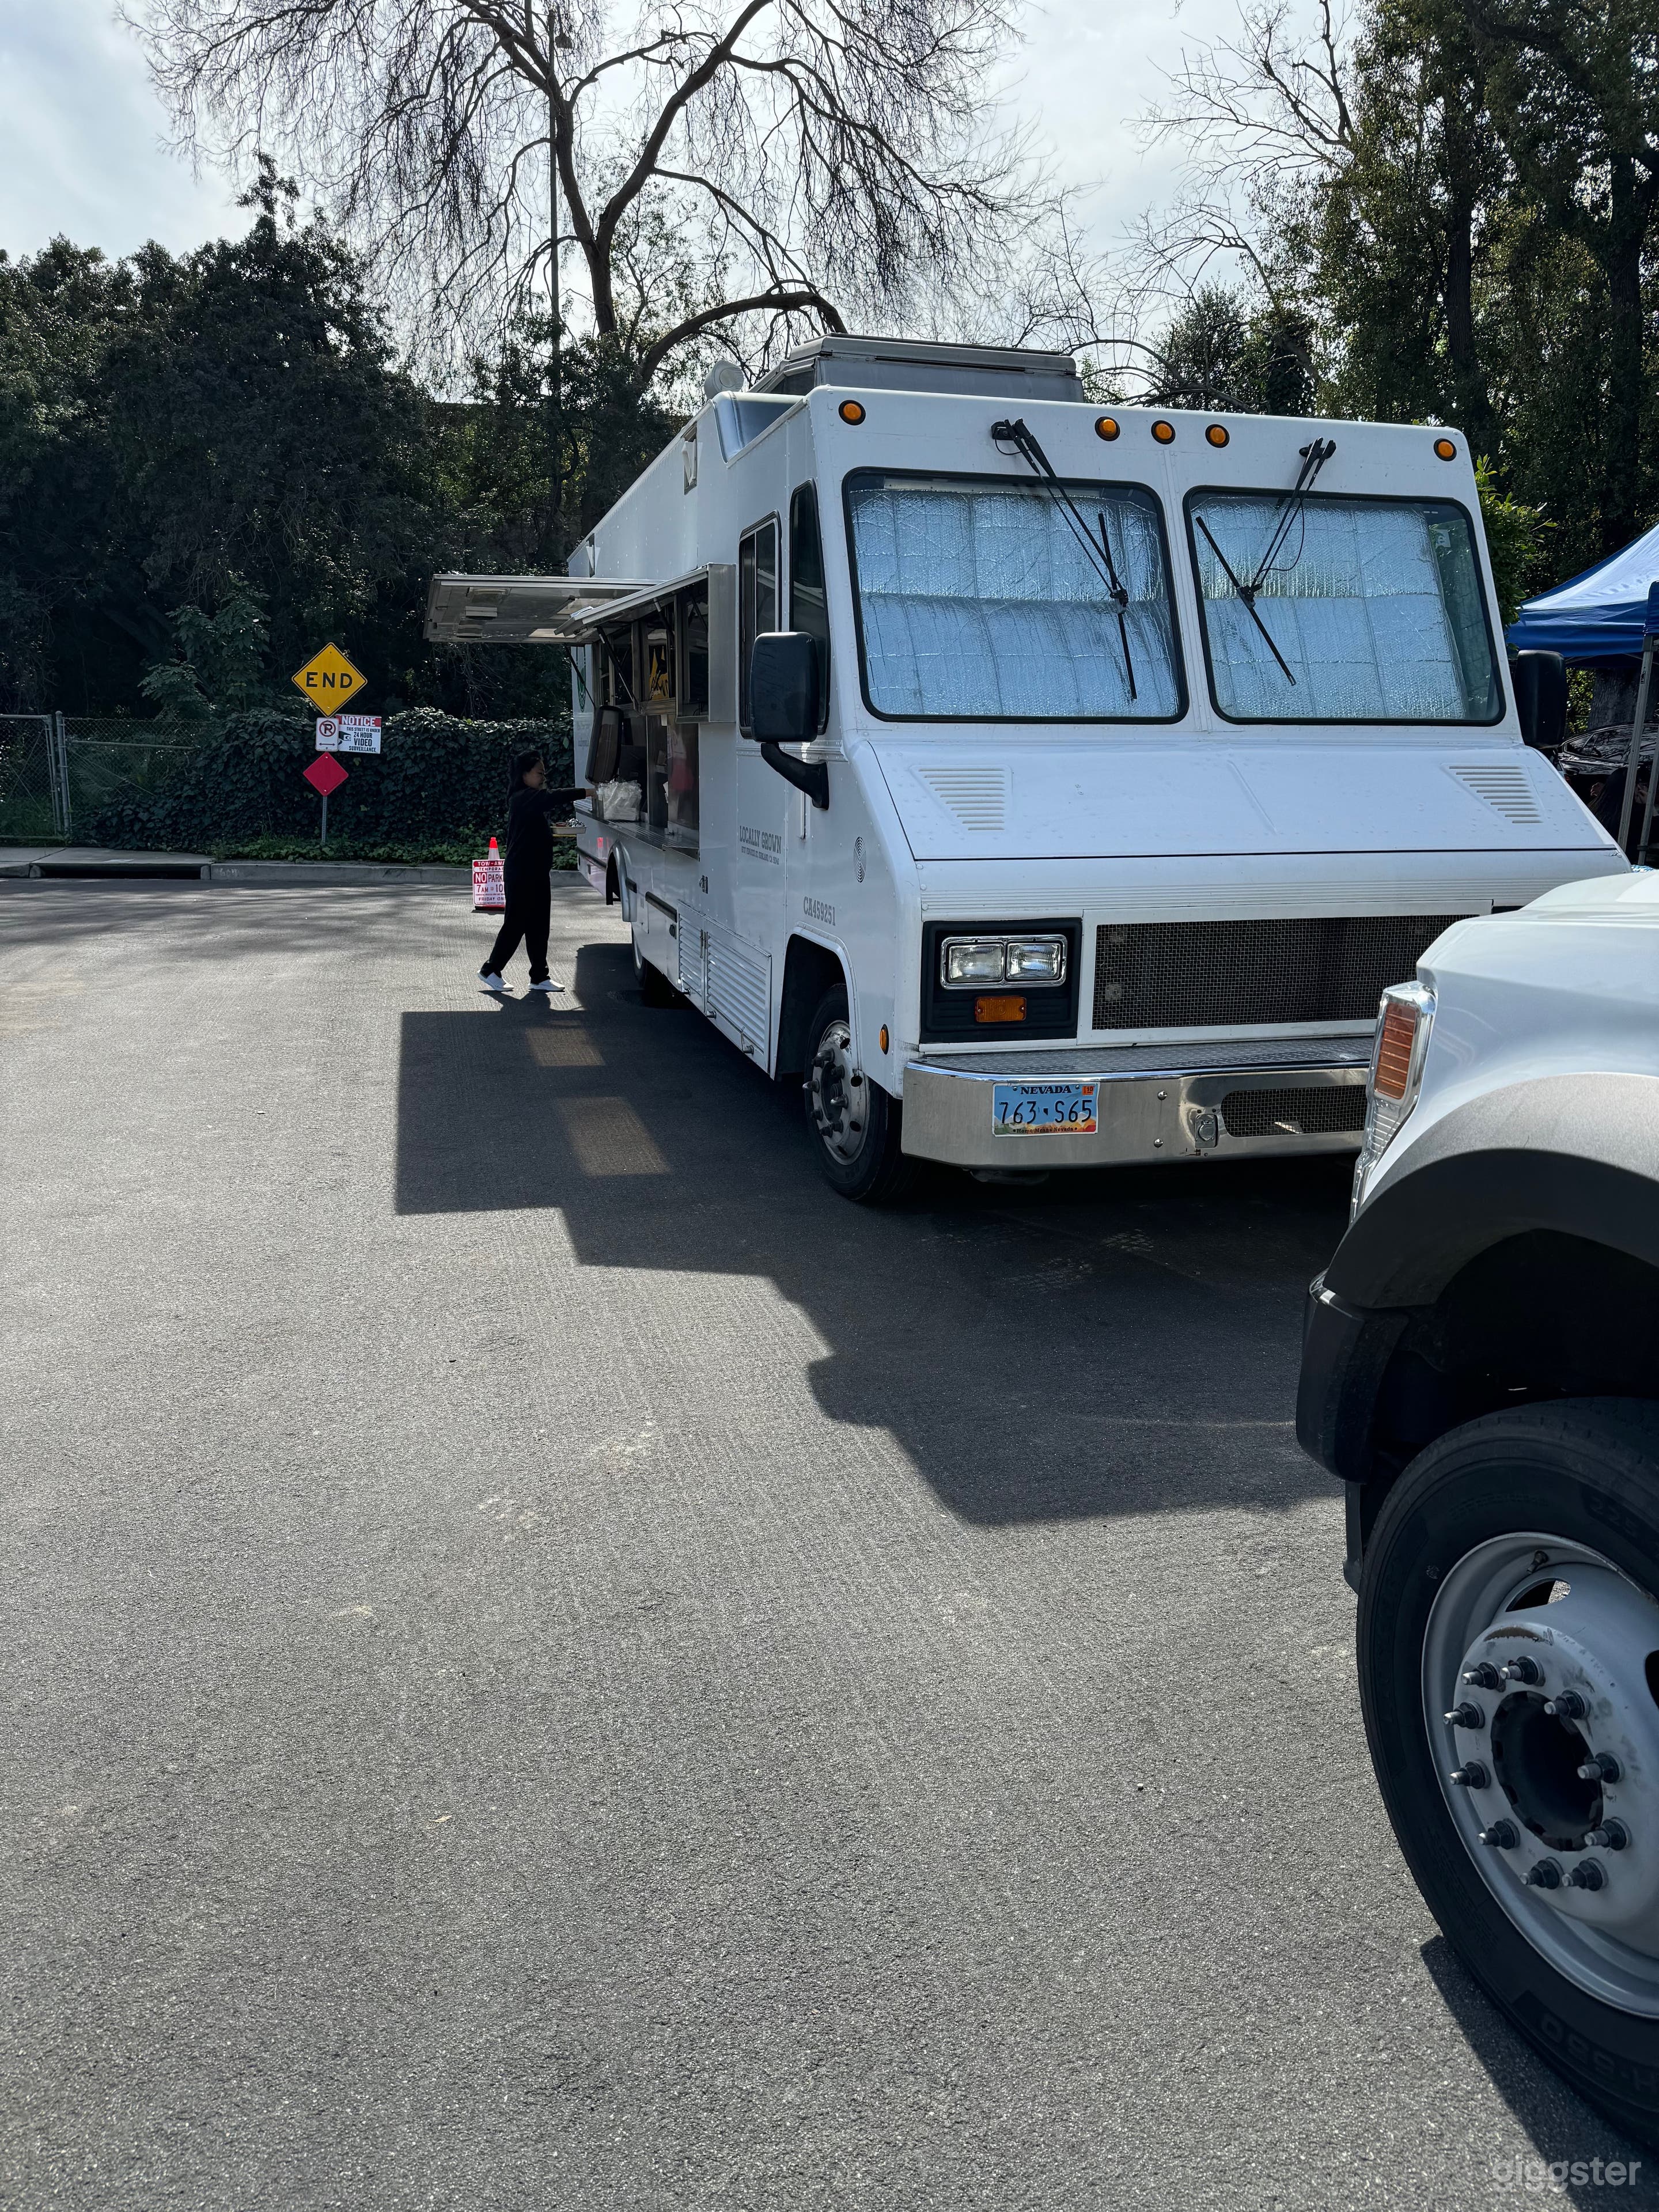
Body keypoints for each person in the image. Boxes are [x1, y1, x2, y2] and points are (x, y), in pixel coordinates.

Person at [479, 751, 579, 993]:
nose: (543, 777)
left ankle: (539, 977)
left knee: (539, 925)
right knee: (516, 923)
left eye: (544, 773)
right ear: (524, 775)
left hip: (536, 872)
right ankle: (491, 970)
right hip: (521, 872)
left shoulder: (530, 798)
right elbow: (552, 797)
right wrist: (586, 792)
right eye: (539, 772)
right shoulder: (522, 797)